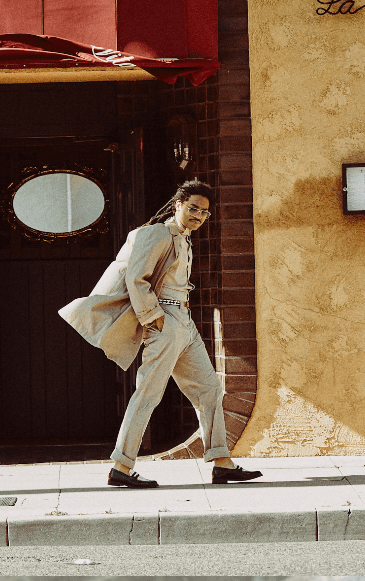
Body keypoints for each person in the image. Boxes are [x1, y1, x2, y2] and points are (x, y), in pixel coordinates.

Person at [59, 179, 263, 488]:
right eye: (193, 208)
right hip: (165, 321)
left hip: (184, 322)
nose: (198, 215)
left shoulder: (185, 238)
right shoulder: (157, 233)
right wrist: (154, 318)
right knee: (149, 394)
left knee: (208, 389)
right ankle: (122, 467)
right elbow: (135, 278)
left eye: (204, 212)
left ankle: (221, 462)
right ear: (178, 204)